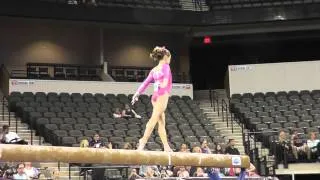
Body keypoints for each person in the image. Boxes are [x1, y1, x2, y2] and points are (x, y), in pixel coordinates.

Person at [131, 46, 172, 152]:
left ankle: (166, 146)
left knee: (161, 122)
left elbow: (145, 83)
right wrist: (162, 84)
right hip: (162, 96)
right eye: (170, 56)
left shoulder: (154, 70)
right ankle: (142, 141)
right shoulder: (166, 66)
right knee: (153, 120)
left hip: (155, 97)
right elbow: (166, 80)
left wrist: (137, 93)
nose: (170, 59)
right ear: (166, 56)